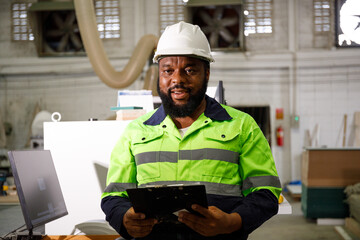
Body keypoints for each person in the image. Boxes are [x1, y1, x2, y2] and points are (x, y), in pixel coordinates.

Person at [101, 21, 282, 240]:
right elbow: (113, 195)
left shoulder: (242, 126)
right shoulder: (135, 132)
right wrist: (124, 219)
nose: (177, 79)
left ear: (206, 74)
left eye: (189, 70)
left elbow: (266, 194)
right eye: (168, 70)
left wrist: (231, 222)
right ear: (159, 75)